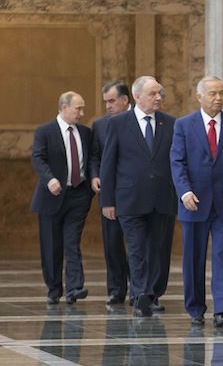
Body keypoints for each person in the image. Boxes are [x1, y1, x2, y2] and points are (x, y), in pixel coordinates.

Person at [170, 76, 223, 327]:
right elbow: (177, 162)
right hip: (194, 202)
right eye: (213, 93)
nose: (219, 98)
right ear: (200, 96)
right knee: (193, 258)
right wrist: (184, 192)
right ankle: (195, 309)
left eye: (222, 93)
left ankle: (221, 310)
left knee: (222, 255)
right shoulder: (183, 125)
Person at [100, 76, 177, 318]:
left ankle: (153, 294)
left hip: (162, 198)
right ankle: (141, 293)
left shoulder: (171, 123)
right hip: (130, 199)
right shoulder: (118, 123)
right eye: (153, 93)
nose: (158, 98)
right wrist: (107, 201)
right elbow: (108, 164)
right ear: (136, 96)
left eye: (160, 94)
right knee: (136, 247)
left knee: (158, 249)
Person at [30, 91, 95, 305]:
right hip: (52, 196)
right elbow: (38, 158)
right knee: (51, 245)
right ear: (63, 107)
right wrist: (49, 179)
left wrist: (93, 177)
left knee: (72, 242)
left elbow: (92, 158)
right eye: (78, 108)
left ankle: (75, 288)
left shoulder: (85, 133)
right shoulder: (45, 131)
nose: (82, 113)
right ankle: (54, 289)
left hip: (78, 195)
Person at [89, 81, 132, 305]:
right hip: (111, 192)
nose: (108, 106)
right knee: (112, 242)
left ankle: (140, 290)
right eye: (105, 102)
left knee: (138, 244)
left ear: (125, 100)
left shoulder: (140, 120)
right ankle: (116, 289)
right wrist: (95, 175)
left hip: (136, 193)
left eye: (112, 101)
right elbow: (95, 156)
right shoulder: (100, 125)